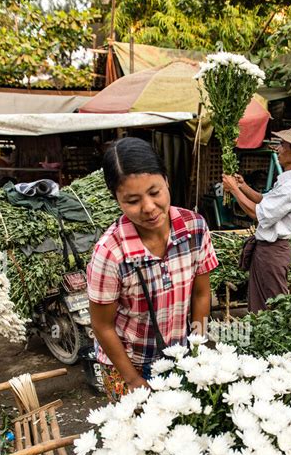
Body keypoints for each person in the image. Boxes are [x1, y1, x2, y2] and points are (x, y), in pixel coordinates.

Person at [87, 137, 218, 401]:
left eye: (155, 192)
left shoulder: (194, 228)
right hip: (127, 363)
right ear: (116, 199)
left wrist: (197, 348)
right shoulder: (111, 252)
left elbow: (201, 294)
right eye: (132, 200)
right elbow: (102, 326)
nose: (148, 208)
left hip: (178, 356)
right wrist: (133, 379)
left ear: (166, 181)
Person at [223, 121, 291, 313]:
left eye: (282, 145)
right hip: (266, 253)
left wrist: (234, 190)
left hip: (272, 254)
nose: (278, 149)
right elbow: (264, 202)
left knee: (272, 310)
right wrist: (243, 186)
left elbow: (258, 214)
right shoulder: (288, 181)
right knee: (259, 308)